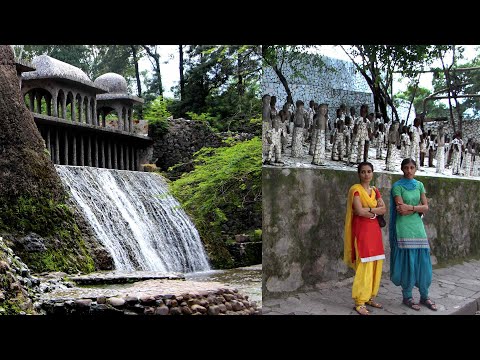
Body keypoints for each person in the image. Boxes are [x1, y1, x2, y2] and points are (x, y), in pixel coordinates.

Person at [389, 158, 437, 311]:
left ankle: (424, 296)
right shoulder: (397, 186)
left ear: (416, 169)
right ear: (402, 169)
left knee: (423, 261)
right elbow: (400, 209)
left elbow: (426, 207)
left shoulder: (420, 185)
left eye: (412, 167)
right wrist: (417, 208)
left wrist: (410, 207)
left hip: (418, 227)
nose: (409, 170)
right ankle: (407, 296)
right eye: (406, 168)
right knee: (409, 262)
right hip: (403, 228)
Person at [343, 162, 387, 315]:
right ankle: (360, 302)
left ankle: (370, 296)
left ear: (373, 173)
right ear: (359, 174)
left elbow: (384, 209)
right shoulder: (355, 190)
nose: (366, 174)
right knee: (365, 265)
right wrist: (374, 211)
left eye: (369, 171)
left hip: (374, 231)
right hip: (361, 231)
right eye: (363, 172)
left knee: (376, 264)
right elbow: (359, 211)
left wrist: (369, 211)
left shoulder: (375, 191)